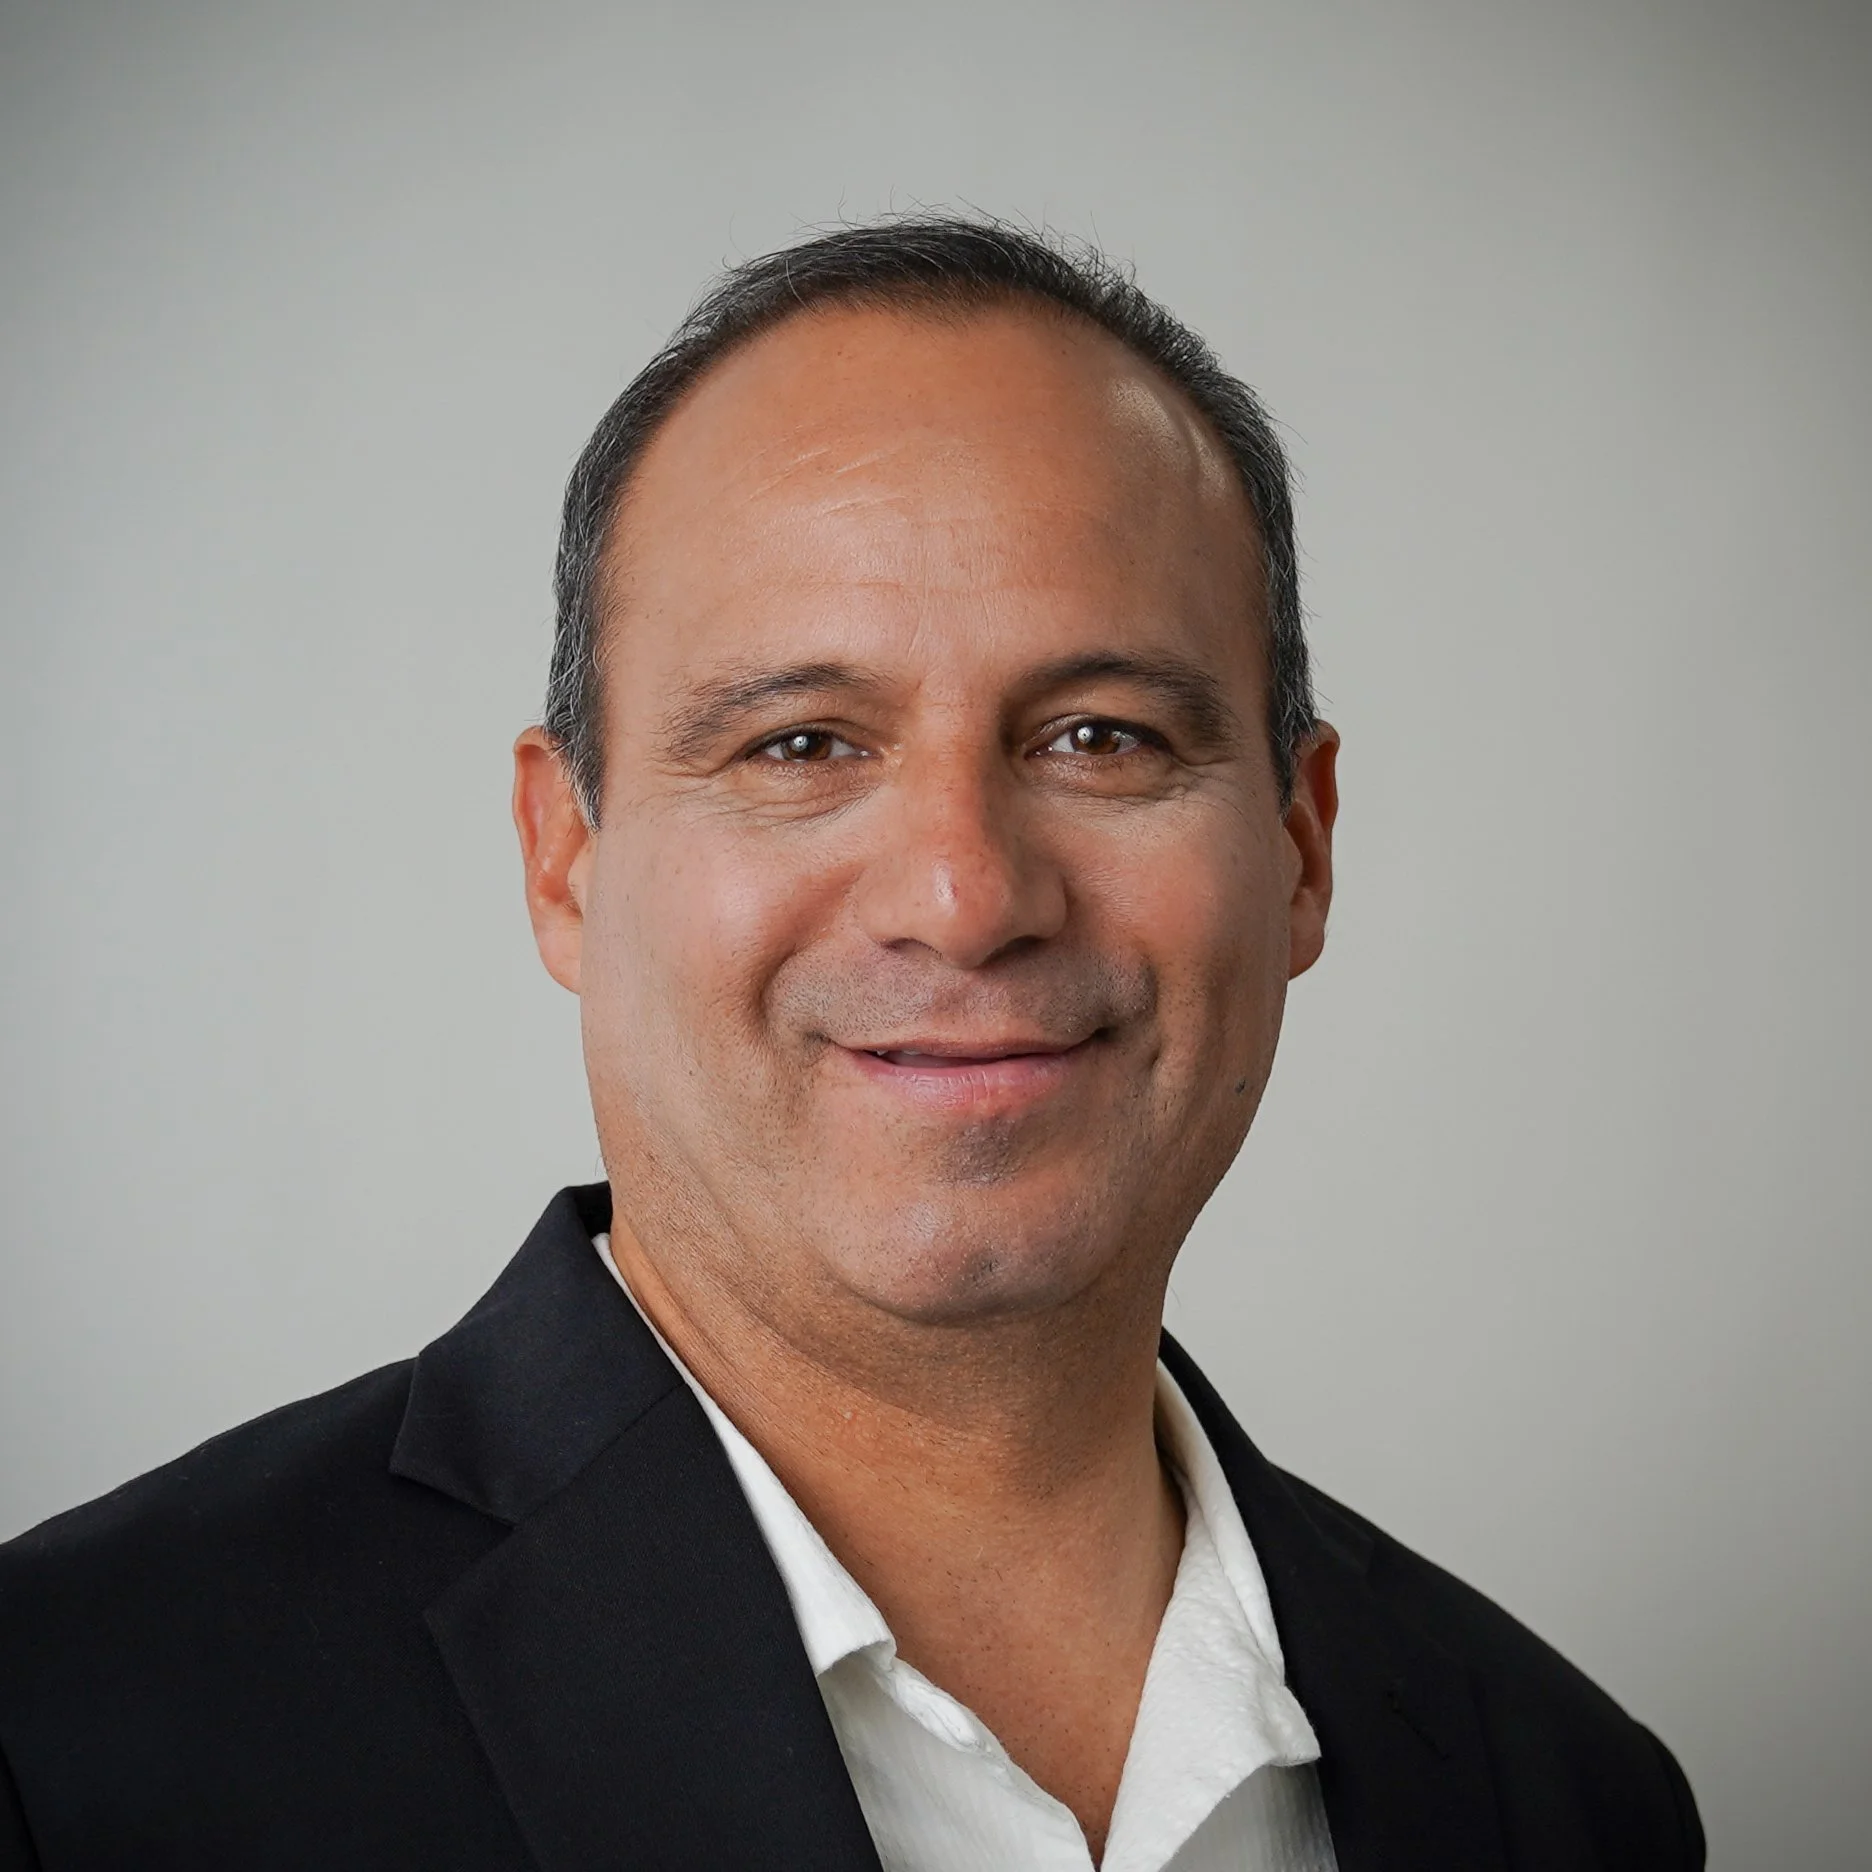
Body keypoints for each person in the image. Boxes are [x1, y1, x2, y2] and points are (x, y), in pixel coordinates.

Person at [0, 216, 1704, 1871]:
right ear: (565, 862)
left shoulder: (1560, 1796)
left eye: (1101, 737)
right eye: (802, 743)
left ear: (1303, 848)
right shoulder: (68, 1742)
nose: (965, 897)